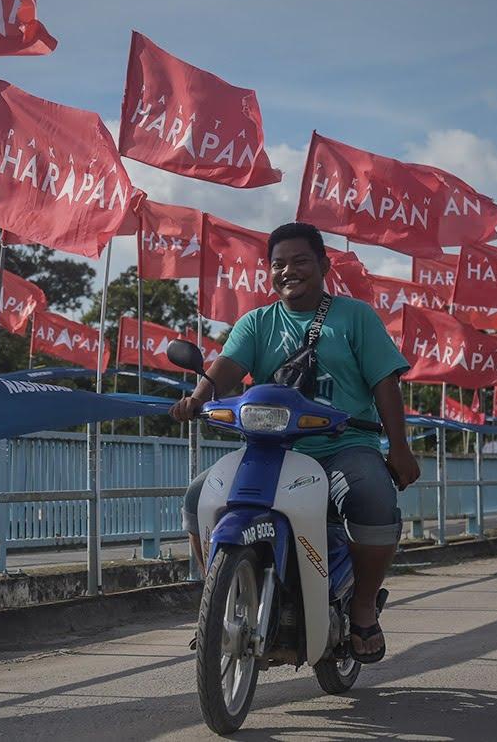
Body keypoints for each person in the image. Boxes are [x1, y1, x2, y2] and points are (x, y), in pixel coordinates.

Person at [171, 221, 420, 664]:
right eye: (279, 264)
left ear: (323, 265)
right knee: (196, 497)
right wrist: (197, 397)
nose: (289, 271)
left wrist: (398, 447)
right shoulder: (257, 322)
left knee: (374, 499)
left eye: (300, 261)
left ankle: (363, 609)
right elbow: (227, 366)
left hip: (344, 445)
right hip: (273, 451)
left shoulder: (355, 316)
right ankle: (215, 606)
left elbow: (385, 381)